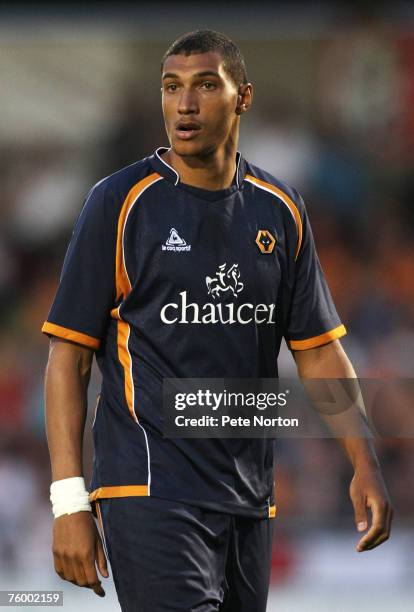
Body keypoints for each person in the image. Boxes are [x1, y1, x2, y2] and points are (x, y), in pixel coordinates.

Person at [42, 29, 393, 612]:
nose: (185, 104)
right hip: (149, 489)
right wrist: (69, 502)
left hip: (249, 499)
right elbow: (68, 358)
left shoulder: (279, 208)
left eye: (206, 85)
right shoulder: (120, 202)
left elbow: (317, 350)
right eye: (171, 87)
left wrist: (364, 461)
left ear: (243, 98)